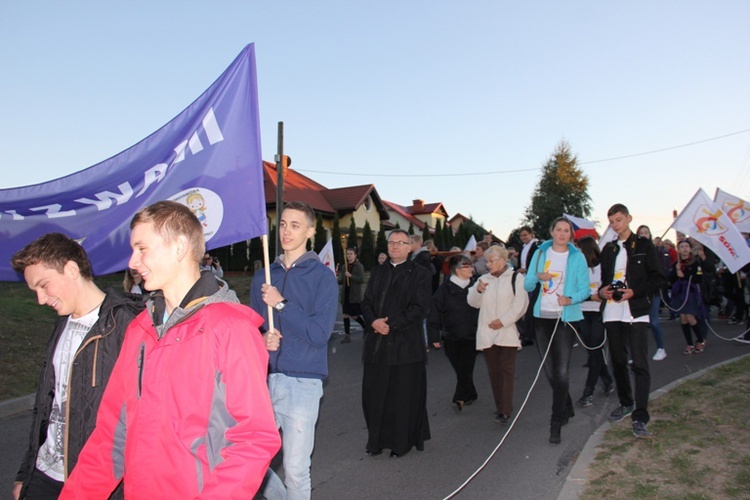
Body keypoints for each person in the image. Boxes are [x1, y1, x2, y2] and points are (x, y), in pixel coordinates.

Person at [61, 200, 280, 498]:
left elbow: (253, 438)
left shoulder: (231, 329)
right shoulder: (140, 329)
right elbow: (111, 435)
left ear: (178, 248)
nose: (132, 262)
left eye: (142, 248)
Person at [10, 233, 145, 500]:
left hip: (95, 484)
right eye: (34, 290)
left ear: (71, 270)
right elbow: (46, 406)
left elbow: (137, 418)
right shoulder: (61, 325)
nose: (40, 299)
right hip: (44, 476)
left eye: (43, 285)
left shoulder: (127, 325)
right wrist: (25, 475)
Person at [250, 201, 338, 500]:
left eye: (295, 225)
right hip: (265, 380)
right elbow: (254, 327)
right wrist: (263, 340)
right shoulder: (263, 275)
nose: (286, 231)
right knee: (250, 462)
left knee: (296, 469)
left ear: (310, 232)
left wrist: (281, 304)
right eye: (284, 224)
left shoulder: (322, 277)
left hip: (303, 382)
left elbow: (318, 334)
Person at [361, 229, 432, 458]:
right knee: (375, 396)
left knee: (401, 398)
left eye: (401, 243)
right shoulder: (378, 272)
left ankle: (401, 443)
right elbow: (366, 302)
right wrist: (373, 321)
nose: (395, 247)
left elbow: (419, 309)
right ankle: (377, 441)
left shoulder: (420, 273)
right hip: (377, 345)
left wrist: (389, 324)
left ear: (410, 247)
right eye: (391, 242)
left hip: (405, 347)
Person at [599, 203, 666, 440]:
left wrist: (634, 291)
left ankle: (640, 415)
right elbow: (603, 281)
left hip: (636, 309)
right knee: (617, 361)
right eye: (612, 221)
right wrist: (603, 291)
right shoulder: (608, 249)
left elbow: (659, 279)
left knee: (639, 363)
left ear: (628, 218)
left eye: (619, 219)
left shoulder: (645, 245)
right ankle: (626, 403)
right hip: (612, 311)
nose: (616, 224)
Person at [524, 217, 590, 445]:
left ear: (570, 234)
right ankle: (567, 406)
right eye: (558, 229)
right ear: (551, 232)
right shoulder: (541, 254)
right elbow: (527, 285)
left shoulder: (577, 256)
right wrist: (537, 277)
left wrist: (570, 299)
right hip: (542, 318)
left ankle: (556, 421)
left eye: (566, 230)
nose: (562, 234)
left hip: (565, 319)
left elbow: (585, 289)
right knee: (550, 372)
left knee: (561, 372)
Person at [468, 246, 528, 424]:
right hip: (487, 332)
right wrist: (478, 290)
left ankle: (505, 410)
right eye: (487, 261)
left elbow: (521, 304)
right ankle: (500, 405)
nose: (489, 264)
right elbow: (472, 303)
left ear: (503, 260)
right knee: (494, 371)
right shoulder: (483, 279)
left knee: (506, 369)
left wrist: (503, 321)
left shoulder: (516, 278)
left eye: (492, 260)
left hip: (507, 330)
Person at [427, 254, 480, 412]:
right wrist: (433, 335)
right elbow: (434, 311)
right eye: (467, 266)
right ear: (456, 270)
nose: (471, 268)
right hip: (451, 335)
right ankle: (471, 392)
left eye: (471, 265)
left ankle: (460, 397)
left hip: (472, 335)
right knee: (459, 367)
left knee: (466, 367)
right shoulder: (445, 288)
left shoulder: (476, 286)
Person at [575, 236, 614, 408]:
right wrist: (591, 296)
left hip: (599, 313)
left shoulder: (602, 268)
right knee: (593, 352)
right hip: (583, 312)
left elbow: (608, 289)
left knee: (595, 351)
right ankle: (607, 380)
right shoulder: (577, 269)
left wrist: (600, 296)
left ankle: (588, 393)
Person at [669, 240, 708, 354]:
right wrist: (676, 271)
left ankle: (700, 340)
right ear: (678, 249)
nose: (684, 249)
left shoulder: (695, 262)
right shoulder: (676, 263)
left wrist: (685, 275)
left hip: (690, 292)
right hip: (680, 293)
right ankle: (689, 343)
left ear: (690, 249)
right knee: (683, 318)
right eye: (682, 247)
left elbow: (698, 278)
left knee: (690, 317)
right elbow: (671, 279)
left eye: (686, 246)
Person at [637, 225, 667, 361]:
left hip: (653, 291)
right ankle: (637, 353)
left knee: (653, 321)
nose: (643, 235)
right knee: (638, 324)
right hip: (639, 292)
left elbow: (660, 272)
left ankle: (661, 348)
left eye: (646, 232)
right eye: (641, 233)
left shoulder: (656, 251)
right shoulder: (635, 251)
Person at [518, 226, 540, 346]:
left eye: (525, 235)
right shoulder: (523, 248)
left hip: (533, 279)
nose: (523, 237)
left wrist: (525, 269)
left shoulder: (536, 246)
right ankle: (528, 332)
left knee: (530, 307)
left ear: (532, 234)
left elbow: (536, 263)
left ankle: (529, 335)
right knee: (525, 306)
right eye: (521, 235)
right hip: (525, 279)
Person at [339, 246, 366, 344]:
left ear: (355, 255)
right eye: (347, 254)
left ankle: (365, 327)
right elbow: (342, 281)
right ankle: (347, 335)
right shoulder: (344, 266)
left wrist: (351, 276)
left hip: (354, 294)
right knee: (345, 315)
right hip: (346, 294)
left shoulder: (359, 266)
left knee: (354, 315)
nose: (349, 256)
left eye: (351, 254)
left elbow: (361, 279)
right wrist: (335, 279)